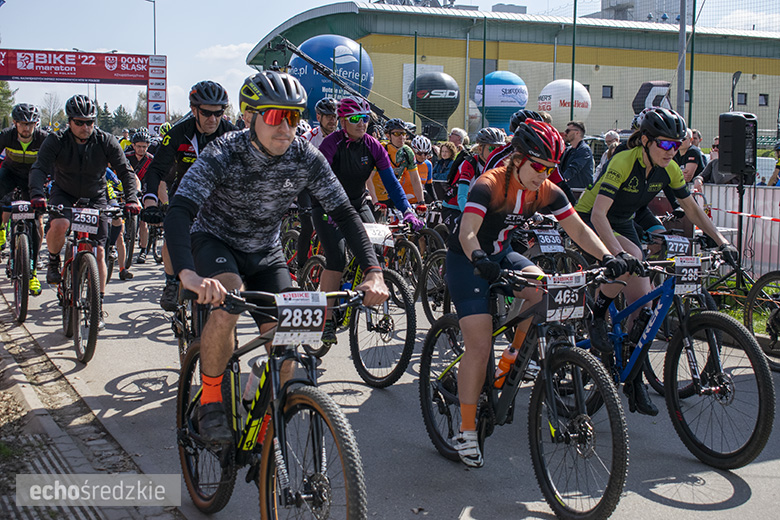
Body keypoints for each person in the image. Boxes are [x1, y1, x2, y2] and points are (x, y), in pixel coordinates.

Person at [164, 71, 389, 443]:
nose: (285, 127)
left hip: (266, 251)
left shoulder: (305, 156)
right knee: (229, 297)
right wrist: (186, 274)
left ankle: (273, 433)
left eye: (294, 117)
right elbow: (180, 210)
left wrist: (373, 271)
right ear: (250, 116)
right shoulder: (224, 152)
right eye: (274, 116)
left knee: (288, 340)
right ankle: (212, 402)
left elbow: (345, 213)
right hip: (217, 241)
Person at [445, 120, 633, 468]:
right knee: (479, 344)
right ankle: (467, 430)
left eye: (549, 168)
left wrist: (607, 256)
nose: (542, 175)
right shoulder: (490, 184)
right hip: (467, 261)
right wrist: (478, 257)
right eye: (537, 166)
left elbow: (576, 227)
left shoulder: (545, 189)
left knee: (545, 290)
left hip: (501, 255)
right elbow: (468, 233)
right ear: (518, 158)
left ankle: (514, 357)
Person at [575, 107, 740, 416]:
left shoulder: (670, 168)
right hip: (589, 220)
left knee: (645, 312)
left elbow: (692, 210)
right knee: (631, 260)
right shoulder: (623, 161)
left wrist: (723, 241)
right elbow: (598, 214)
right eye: (664, 144)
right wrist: (617, 255)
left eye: (676, 144)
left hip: (622, 221)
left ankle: (635, 382)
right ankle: (596, 315)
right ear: (646, 141)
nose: (671, 150)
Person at [315, 97, 423, 345]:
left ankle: (358, 290)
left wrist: (407, 210)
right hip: (326, 204)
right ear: (343, 121)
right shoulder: (332, 145)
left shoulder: (374, 146)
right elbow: (319, 183)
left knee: (373, 250)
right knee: (336, 257)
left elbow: (392, 184)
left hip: (358, 202)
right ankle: (326, 319)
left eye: (365, 118)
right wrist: (329, 209)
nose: (361, 123)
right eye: (355, 119)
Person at [29, 95, 141, 327]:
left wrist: (131, 199)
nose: (85, 127)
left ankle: (97, 304)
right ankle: (52, 261)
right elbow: (39, 167)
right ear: (70, 122)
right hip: (64, 193)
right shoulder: (56, 140)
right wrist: (38, 195)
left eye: (89, 122)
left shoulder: (106, 141)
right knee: (59, 225)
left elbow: (125, 171)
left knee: (99, 252)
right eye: (79, 122)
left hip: (95, 196)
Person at [143, 80, 237, 312]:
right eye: (206, 113)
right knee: (172, 233)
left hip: (219, 198)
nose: (212, 119)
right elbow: (156, 170)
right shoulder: (178, 133)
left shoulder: (233, 134)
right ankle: (171, 282)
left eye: (218, 113)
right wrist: (150, 200)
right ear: (194, 110)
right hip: (186, 193)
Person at [0, 103, 49, 295]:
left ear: (36, 124)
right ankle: (2, 231)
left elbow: (56, 162)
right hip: (10, 173)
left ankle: (33, 271)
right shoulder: (6, 135)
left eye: (30, 124)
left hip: (33, 178)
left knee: (36, 221)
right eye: (22, 124)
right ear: (15, 123)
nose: (27, 128)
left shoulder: (44, 138)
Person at [370, 118, 425, 207]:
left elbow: (415, 179)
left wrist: (421, 202)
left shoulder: (407, 152)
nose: (401, 137)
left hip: (394, 195)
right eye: (397, 133)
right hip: (376, 196)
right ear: (388, 136)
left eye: (403, 133)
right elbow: (369, 178)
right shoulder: (381, 149)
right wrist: (374, 200)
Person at [453, 127, 505, 212]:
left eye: (499, 149)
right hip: (455, 207)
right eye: (492, 148)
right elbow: (461, 197)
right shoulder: (470, 163)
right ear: (480, 148)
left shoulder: (499, 165)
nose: (495, 153)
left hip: (478, 203)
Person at [125, 130, 154, 264]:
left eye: (144, 147)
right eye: (139, 146)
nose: (141, 149)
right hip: (128, 189)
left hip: (145, 189)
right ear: (133, 145)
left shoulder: (151, 160)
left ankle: (143, 250)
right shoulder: (126, 157)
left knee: (144, 220)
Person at [559, 120, 594, 190]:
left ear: (577, 133)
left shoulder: (584, 150)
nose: (565, 133)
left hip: (579, 191)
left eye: (568, 131)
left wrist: (561, 181)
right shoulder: (569, 150)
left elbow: (574, 168)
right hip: (570, 189)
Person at [411, 135, 434, 202]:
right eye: (419, 153)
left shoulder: (428, 164)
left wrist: (435, 200)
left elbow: (429, 185)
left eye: (426, 153)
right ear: (413, 151)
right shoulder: (406, 164)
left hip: (419, 200)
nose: (423, 156)